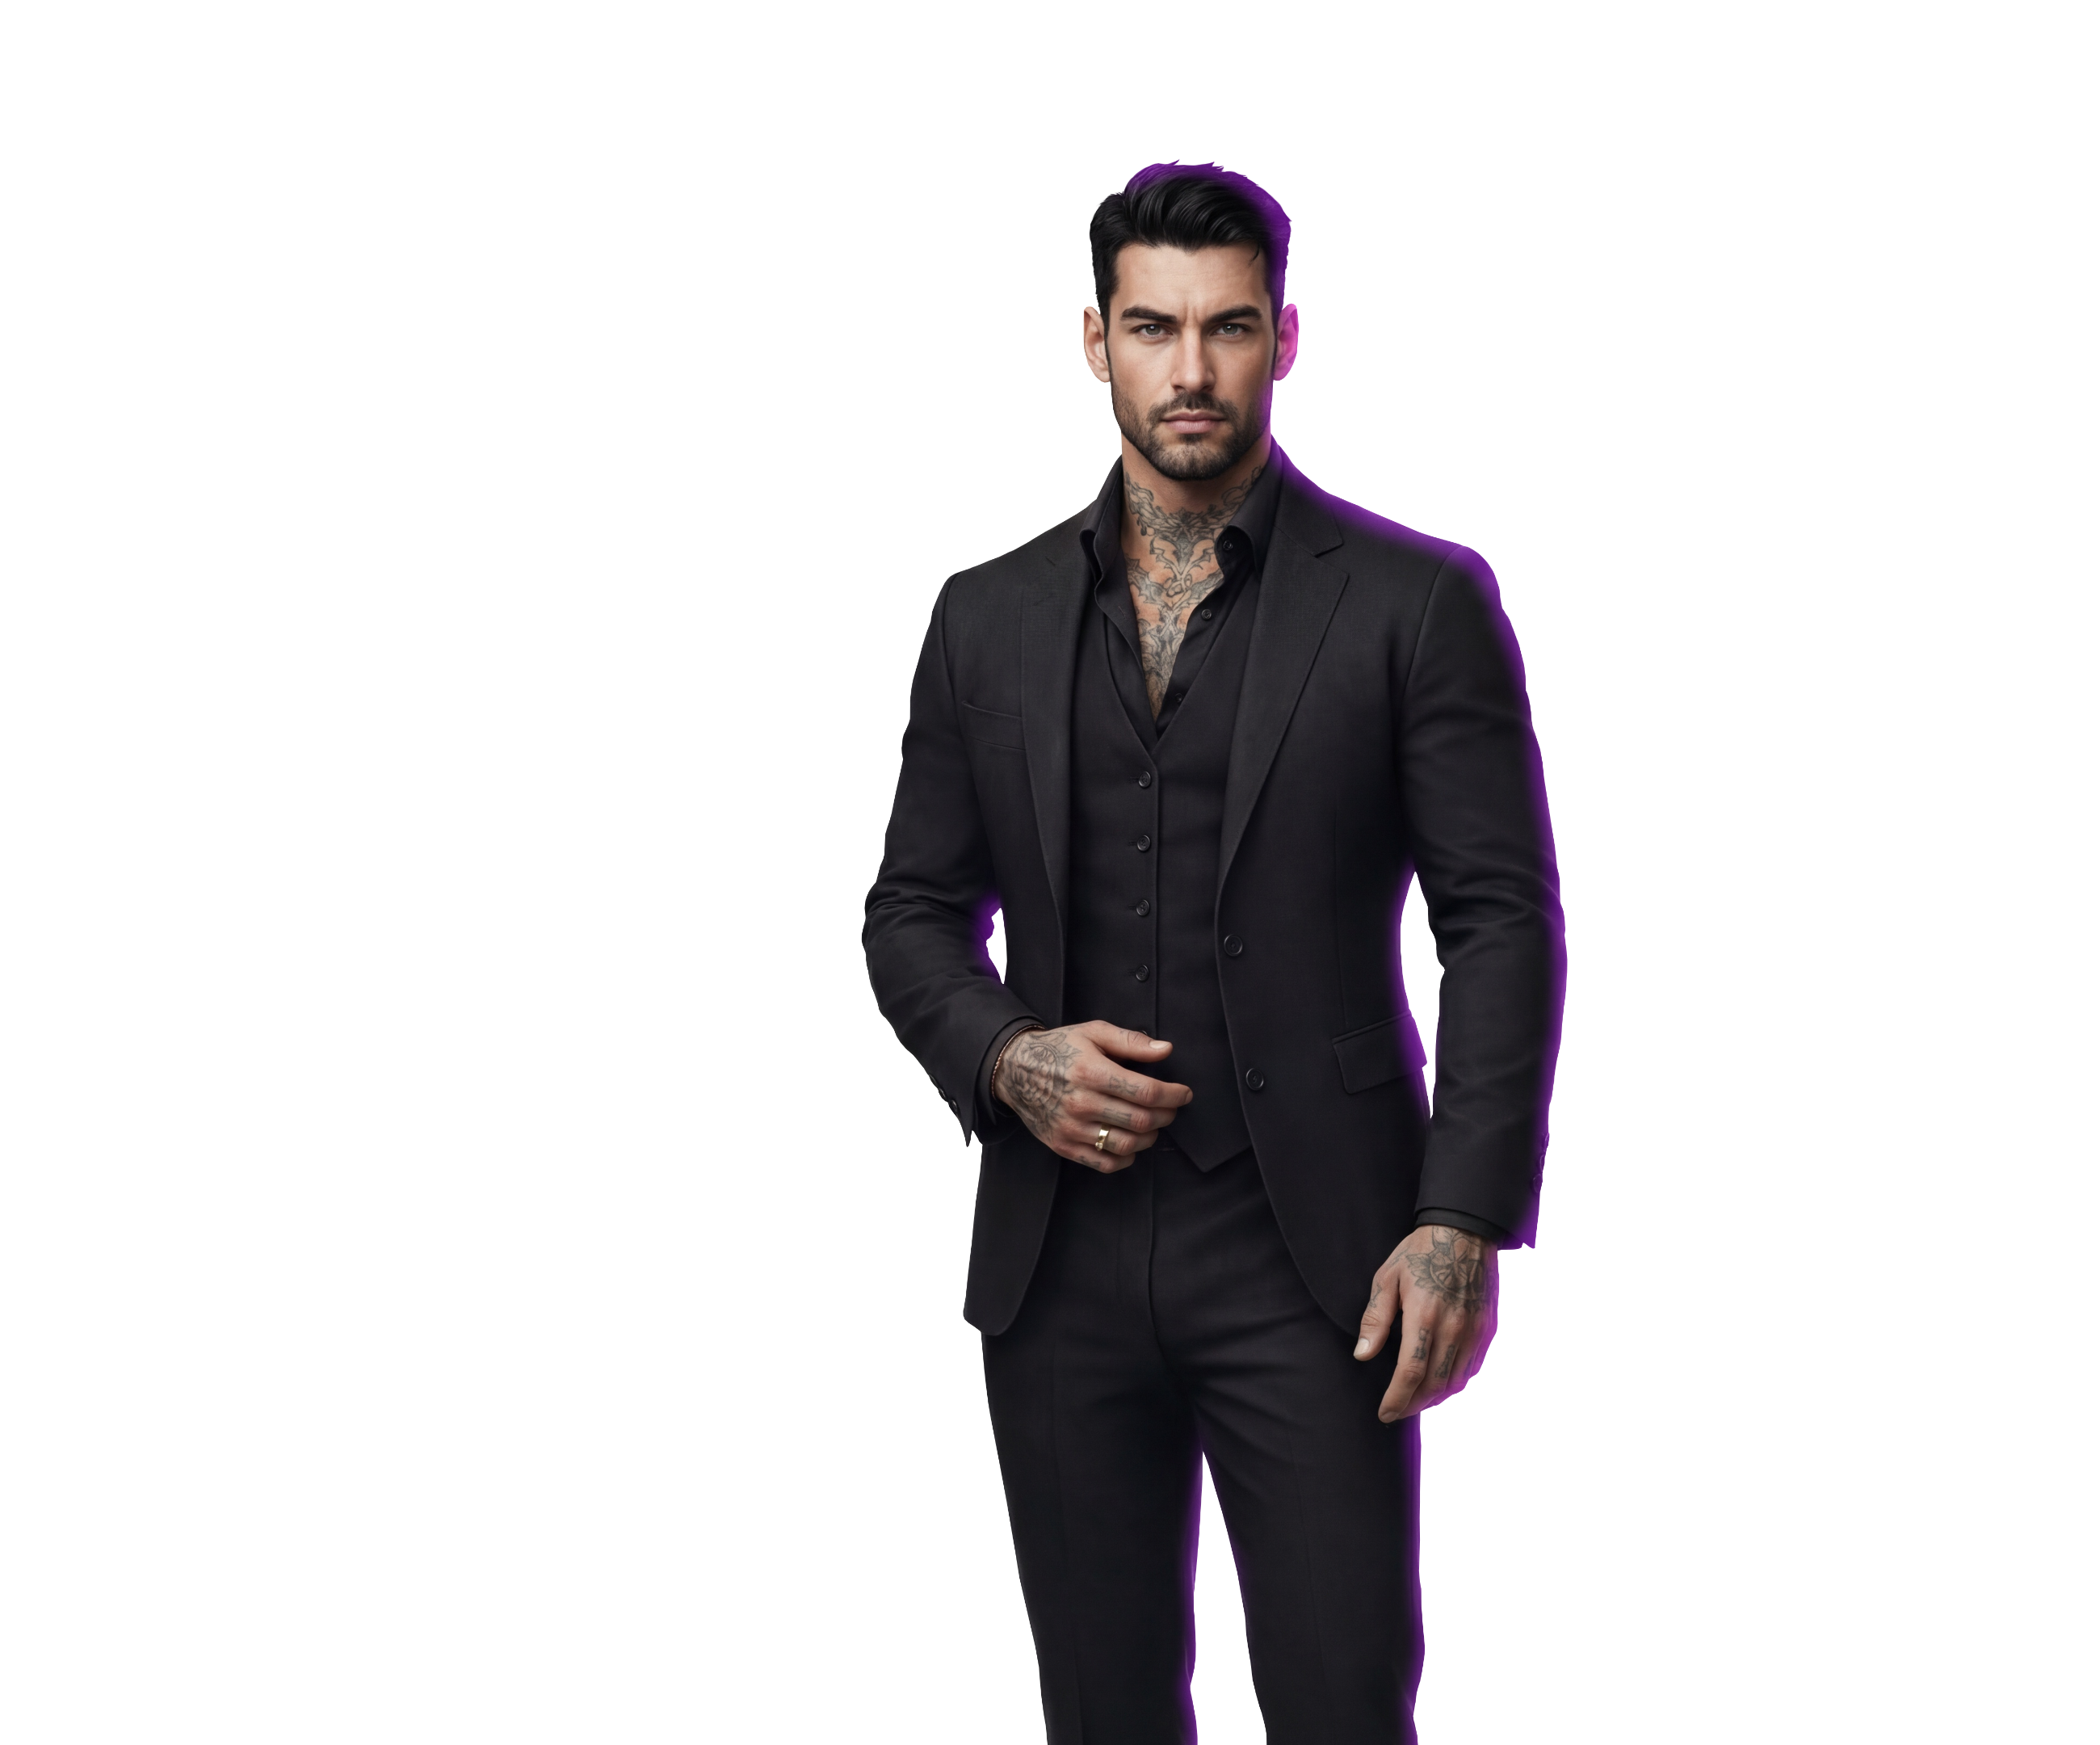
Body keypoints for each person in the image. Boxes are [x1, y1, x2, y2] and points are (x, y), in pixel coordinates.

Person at [862, 160, 1564, 1744]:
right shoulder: (981, 614)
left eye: (1228, 327)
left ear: (1284, 340)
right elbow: (907, 909)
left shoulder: (1418, 600)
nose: (1192, 369)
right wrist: (1003, 1056)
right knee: (1099, 1714)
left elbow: (1500, 917)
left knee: (1341, 1704)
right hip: (1053, 1262)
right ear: (1094, 343)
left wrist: (1460, 1218)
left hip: (1320, 1257)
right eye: (1155, 328)